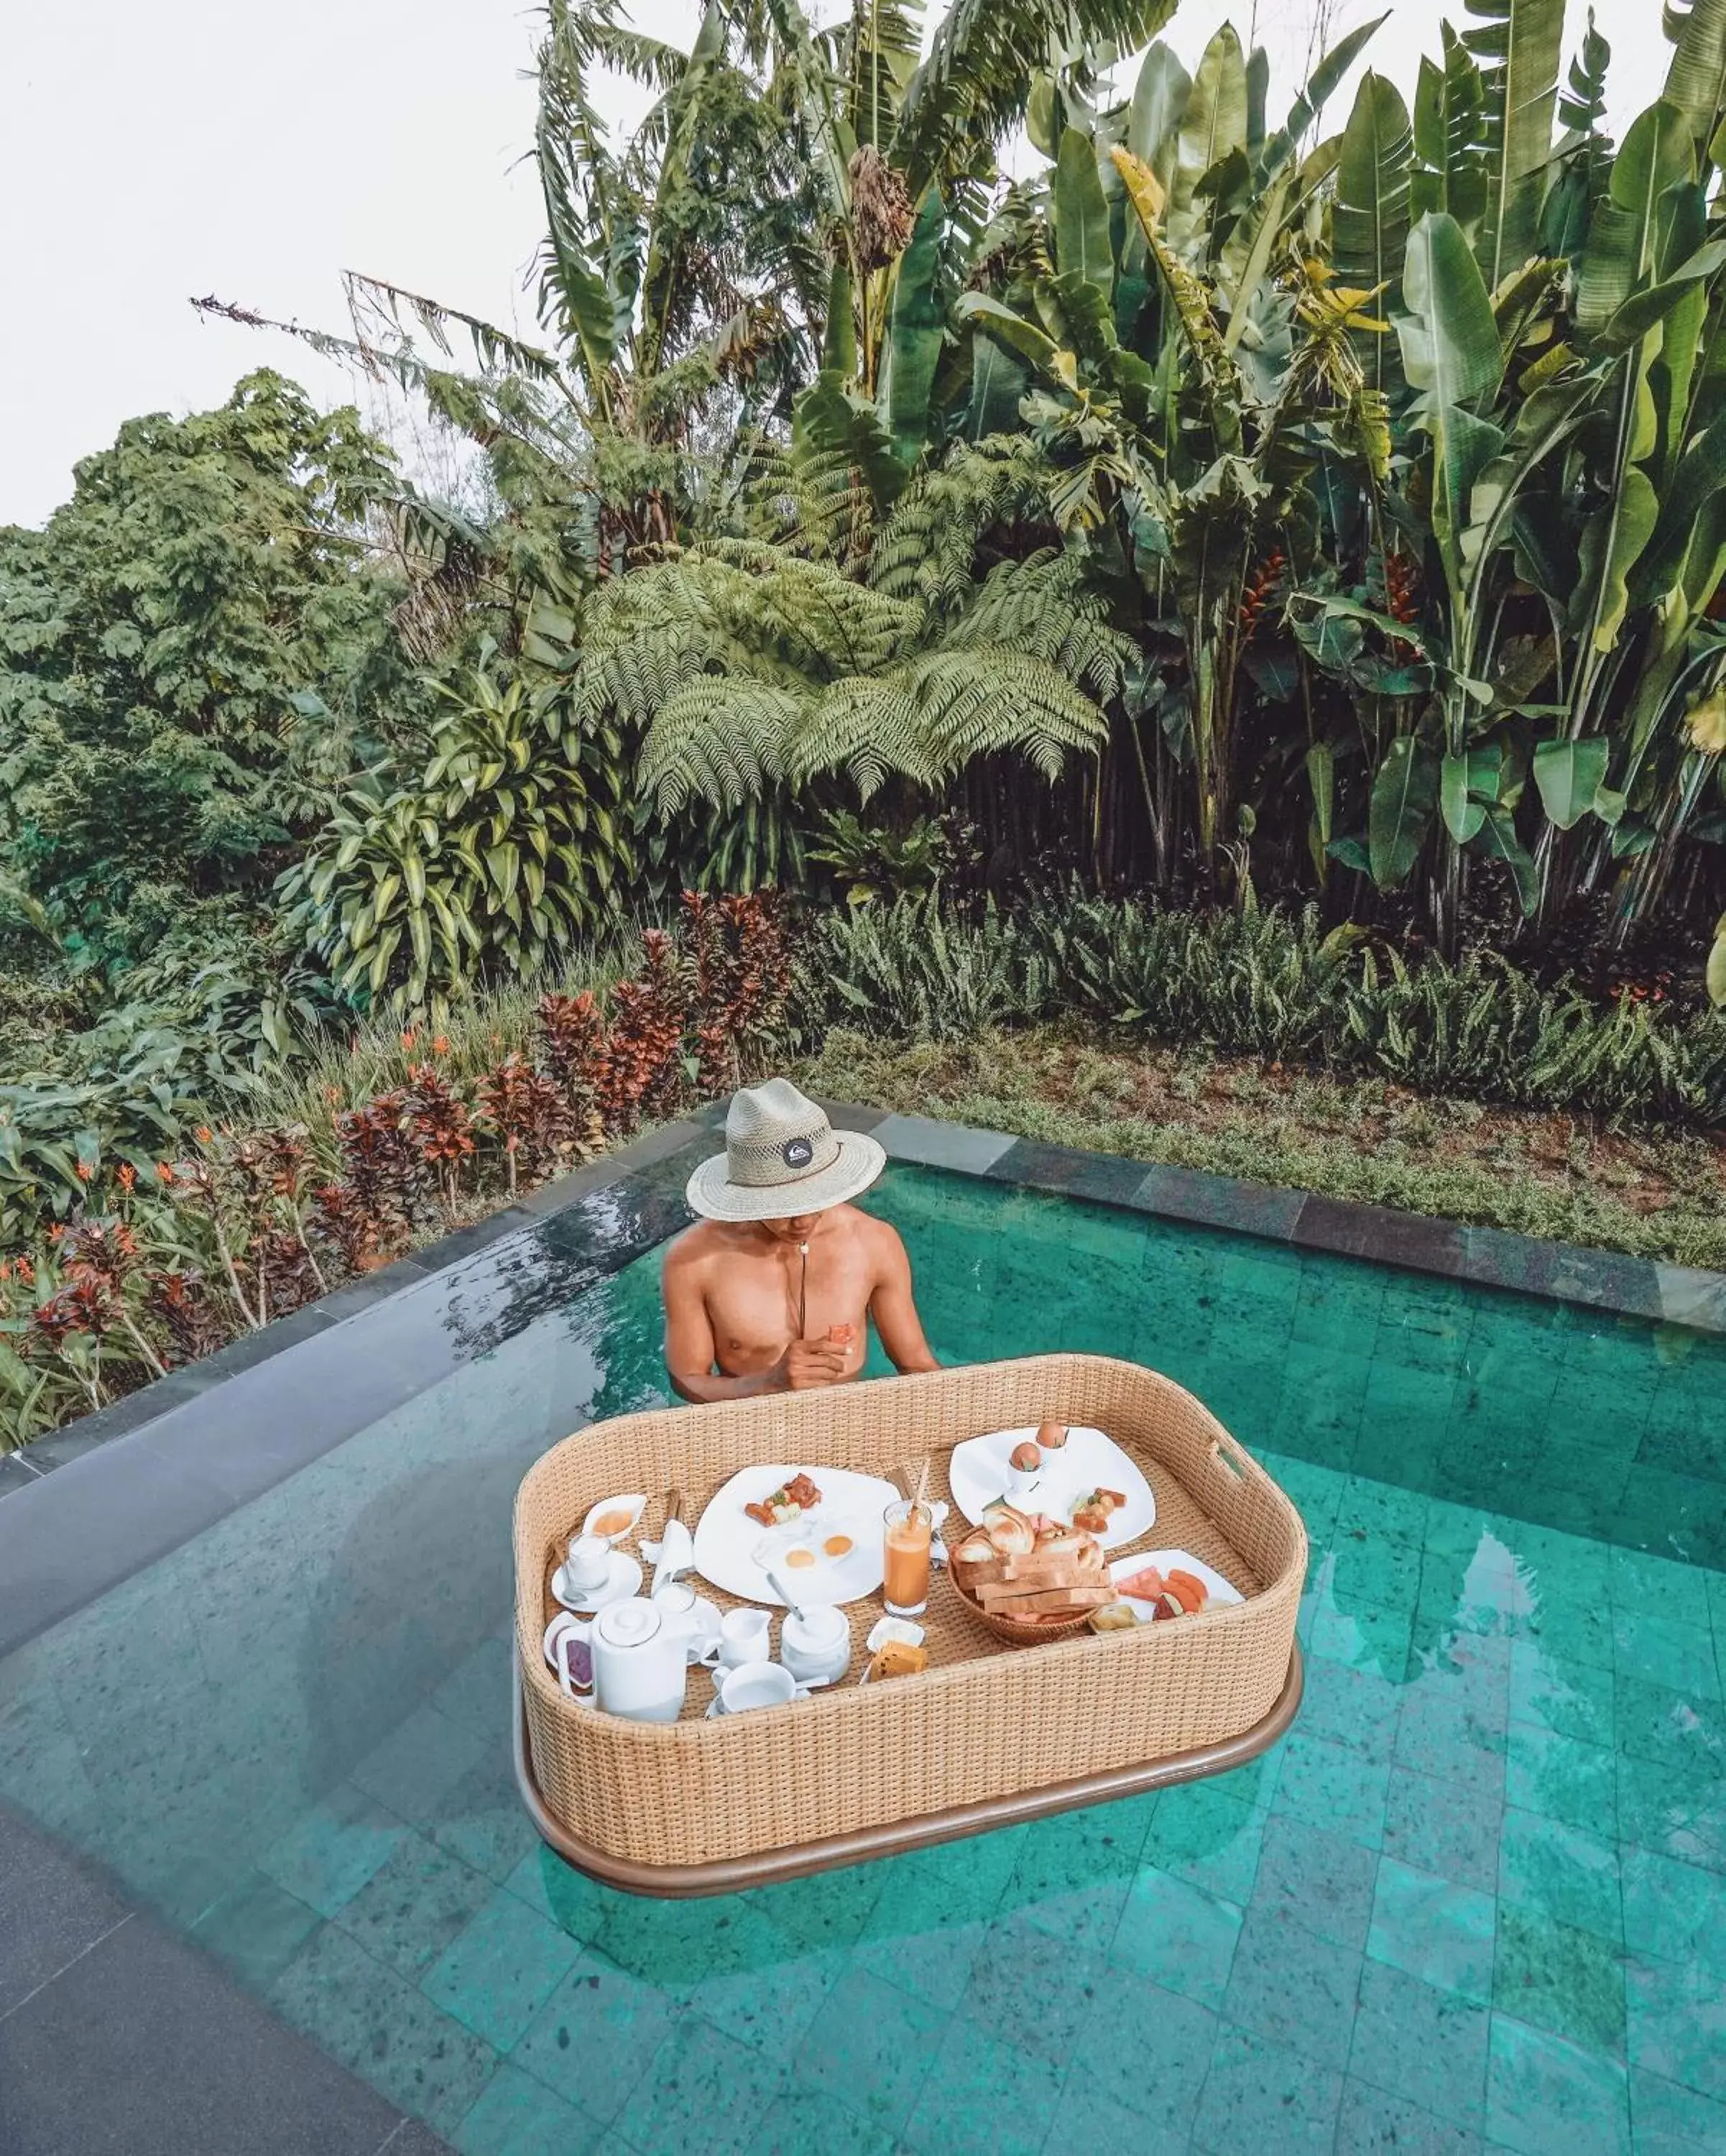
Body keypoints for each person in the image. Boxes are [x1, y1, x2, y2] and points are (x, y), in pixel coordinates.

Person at [663, 1079, 938, 1402]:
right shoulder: (695, 1261)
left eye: (815, 1197)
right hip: (751, 1430)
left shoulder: (875, 1243)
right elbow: (688, 1379)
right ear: (748, 1196)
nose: (803, 1221)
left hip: (846, 1425)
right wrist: (766, 1384)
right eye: (785, 1205)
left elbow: (916, 1367)